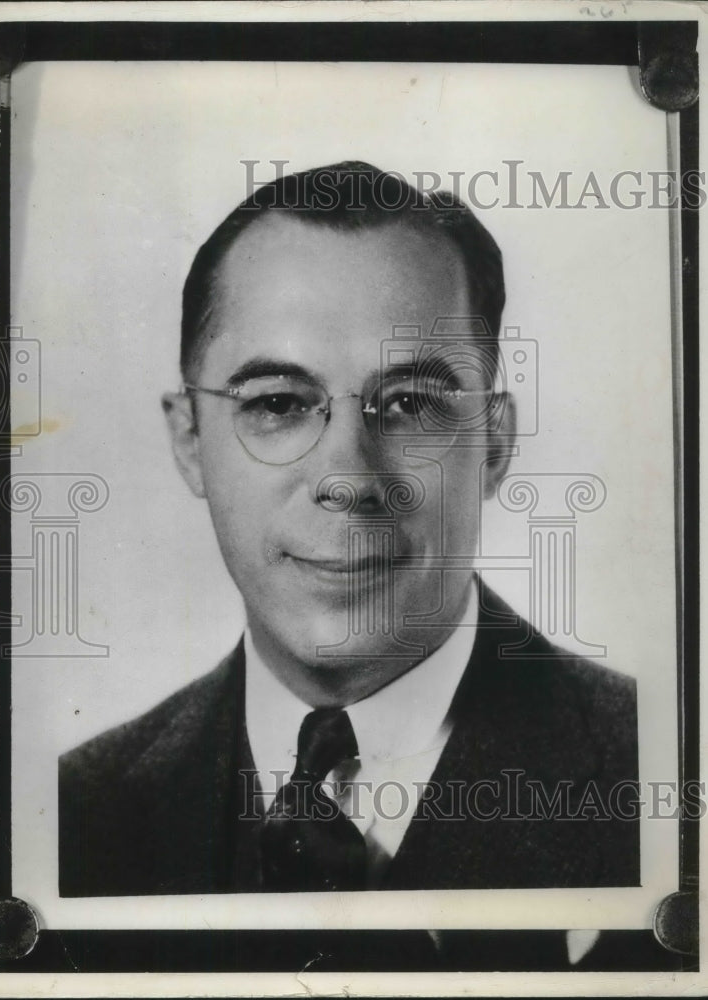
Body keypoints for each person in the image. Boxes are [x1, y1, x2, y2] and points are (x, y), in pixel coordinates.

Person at [59, 163, 638, 914]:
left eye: (407, 404)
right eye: (277, 402)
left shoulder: (653, 770)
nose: (346, 478)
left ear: (493, 444)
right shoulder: (77, 812)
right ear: (190, 441)